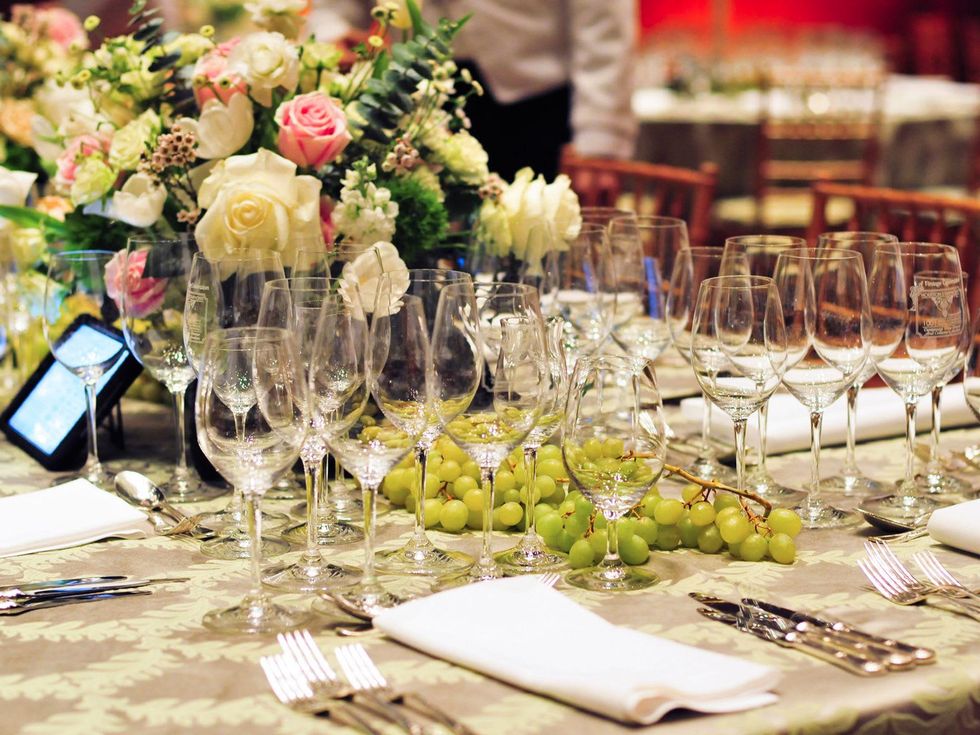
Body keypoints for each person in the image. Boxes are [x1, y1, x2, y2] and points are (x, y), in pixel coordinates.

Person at [310, 0, 638, 182]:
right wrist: (332, 33)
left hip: (536, 105)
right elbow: (333, 9)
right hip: (409, 106)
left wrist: (600, 141)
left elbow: (604, 26)